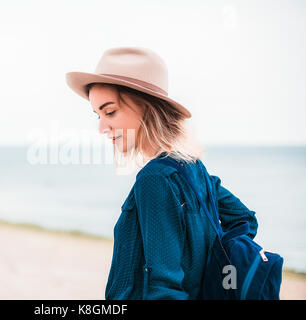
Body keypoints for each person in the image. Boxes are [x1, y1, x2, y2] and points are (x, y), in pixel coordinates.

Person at [65, 47, 258, 299]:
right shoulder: (192, 168)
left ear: (145, 106)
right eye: (98, 114)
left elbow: (163, 288)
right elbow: (245, 221)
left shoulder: (154, 179)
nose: (102, 128)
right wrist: (212, 269)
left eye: (110, 111)